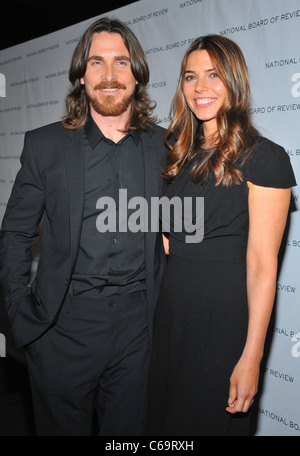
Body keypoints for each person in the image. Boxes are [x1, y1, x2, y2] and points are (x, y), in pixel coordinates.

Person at [0, 17, 167, 436]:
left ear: (138, 74)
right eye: (97, 63)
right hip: (63, 327)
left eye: (121, 63)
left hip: (138, 330)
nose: (109, 76)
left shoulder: (168, 146)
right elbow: (16, 233)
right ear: (81, 75)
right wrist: (21, 316)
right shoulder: (45, 146)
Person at [145, 34, 296, 436]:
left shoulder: (265, 157)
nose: (200, 88)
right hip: (168, 319)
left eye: (213, 75)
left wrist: (252, 356)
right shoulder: (176, 156)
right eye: (190, 77)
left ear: (234, 80)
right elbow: (167, 242)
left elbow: (263, 265)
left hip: (222, 324)